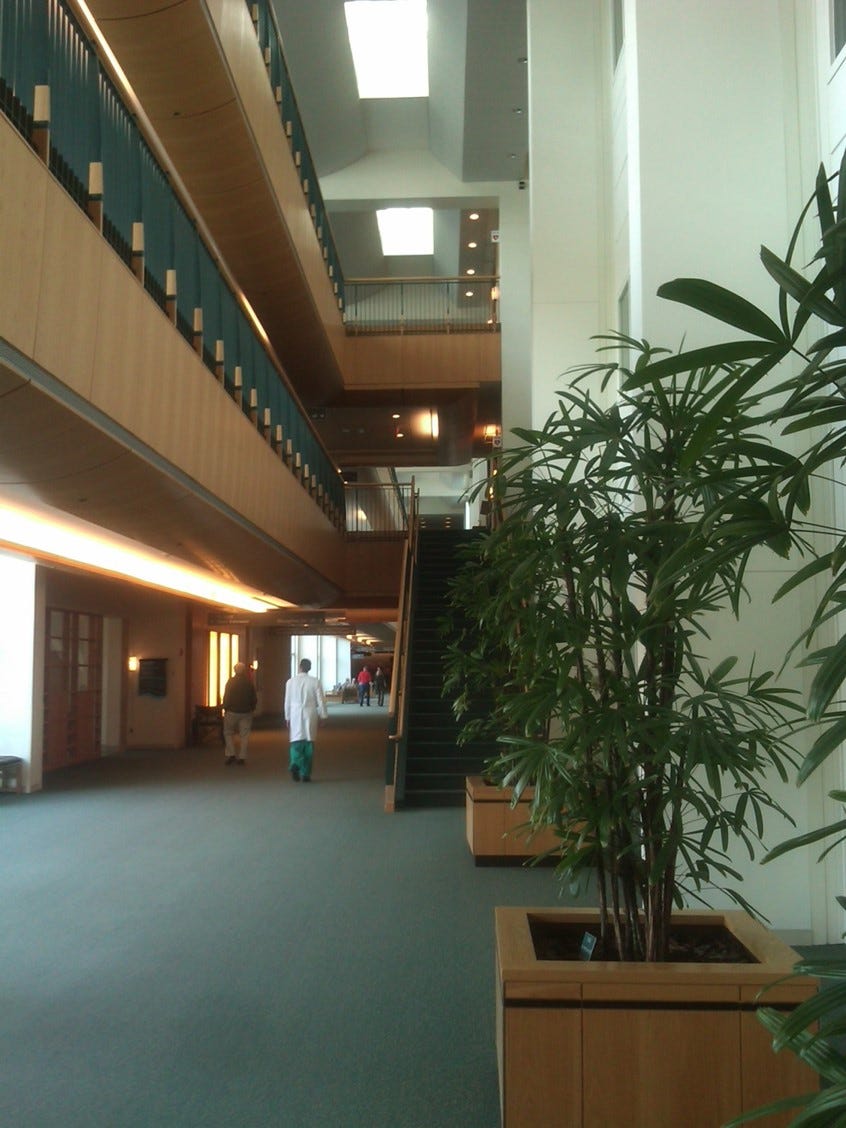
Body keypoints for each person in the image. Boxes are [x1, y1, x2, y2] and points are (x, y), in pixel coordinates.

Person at [284, 658, 327, 782]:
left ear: (299, 667)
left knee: (296, 741)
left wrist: (287, 717)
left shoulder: (290, 682)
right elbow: (321, 700)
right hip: (310, 712)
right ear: (309, 668)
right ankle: (306, 774)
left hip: (295, 713)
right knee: (309, 742)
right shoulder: (315, 681)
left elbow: (287, 701)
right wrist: (323, 715)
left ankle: (295, 762)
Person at [221, 661, 257, 766]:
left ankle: (231, 754)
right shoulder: (249, 683)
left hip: (232, 711)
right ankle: (242, 757)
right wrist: (252, 708)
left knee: (228, 733)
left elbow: (227, 696)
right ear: (244, 671)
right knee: (244, 735)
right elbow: (254, 697)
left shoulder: (231, 682)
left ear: (234, 670)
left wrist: (225, 708)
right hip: (246, 712)